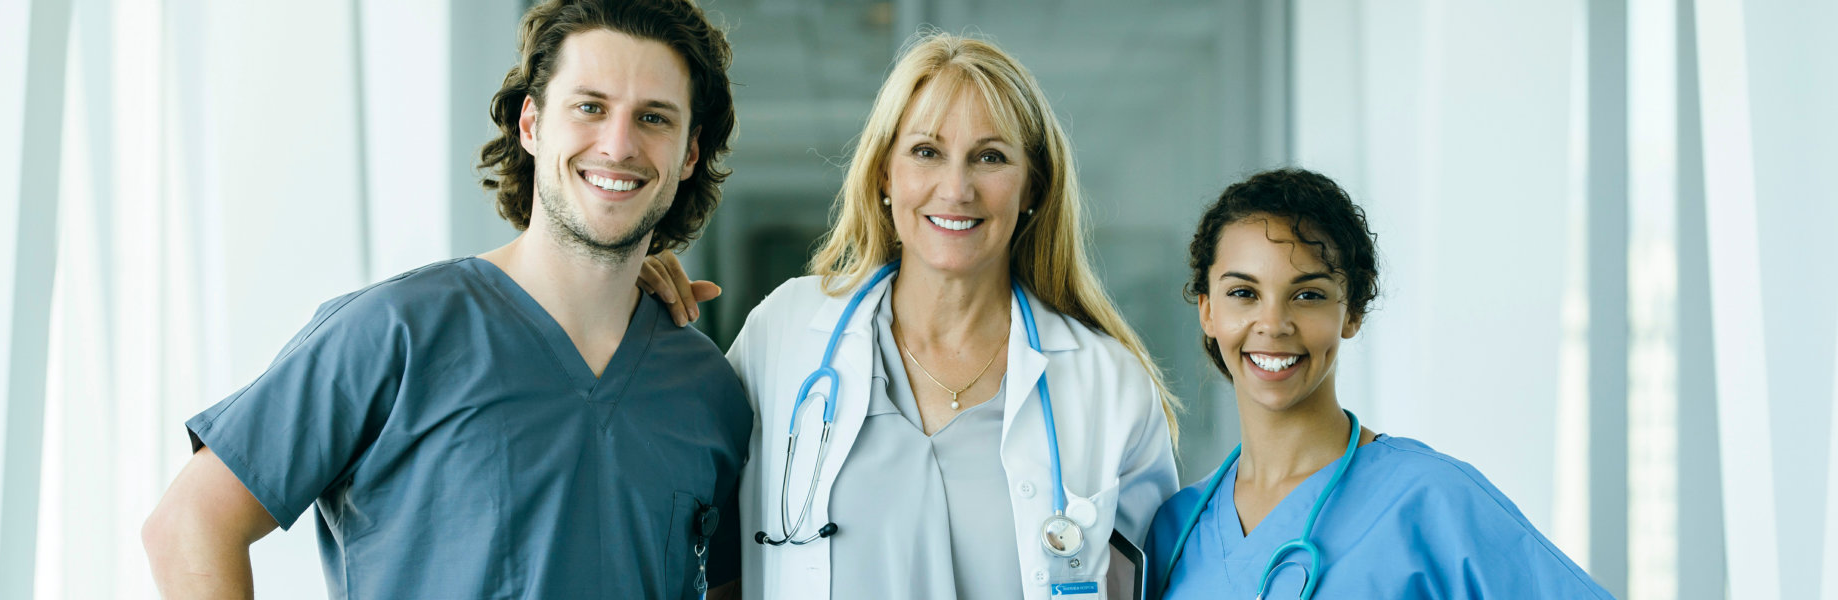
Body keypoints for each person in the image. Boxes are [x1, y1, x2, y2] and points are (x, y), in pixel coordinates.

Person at [140, 1, 751, 598]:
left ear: (690, 151)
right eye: (590, 107)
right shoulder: (393, 333)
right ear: (532, 125)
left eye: (654, 118)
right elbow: (189, 526)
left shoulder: (706, 390)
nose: (618, 145)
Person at [644, 32, 1177, 600]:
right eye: (926, 152)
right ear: (884, 176)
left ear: (1032, 189)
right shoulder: (787, 330)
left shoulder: (1109, 385)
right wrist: (626, 289)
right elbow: (696, 527)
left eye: (990, 157)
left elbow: (1166, 582)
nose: (957, 187)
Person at [1143, 169, 1615, 599]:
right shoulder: (1176, 528)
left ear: (1352, 313)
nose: (1274, 323)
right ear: (1207, 311)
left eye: (1308, 295)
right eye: (1243, 293)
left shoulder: (1432, 499)